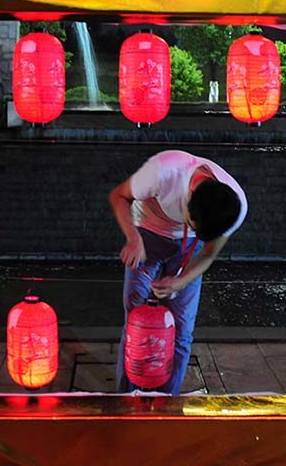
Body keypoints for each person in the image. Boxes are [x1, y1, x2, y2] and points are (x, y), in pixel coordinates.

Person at [110, 150, 247, 395]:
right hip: (147, 233)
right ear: (188, 199)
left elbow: (207, 253)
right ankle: (125, 396)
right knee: (135, 319)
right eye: (191, 222)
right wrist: (133, 239)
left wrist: (181, 281)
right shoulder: (163, 172)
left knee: (183, 329)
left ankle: (168, 399)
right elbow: (119, 195)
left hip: (190, 247)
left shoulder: (233, 208)